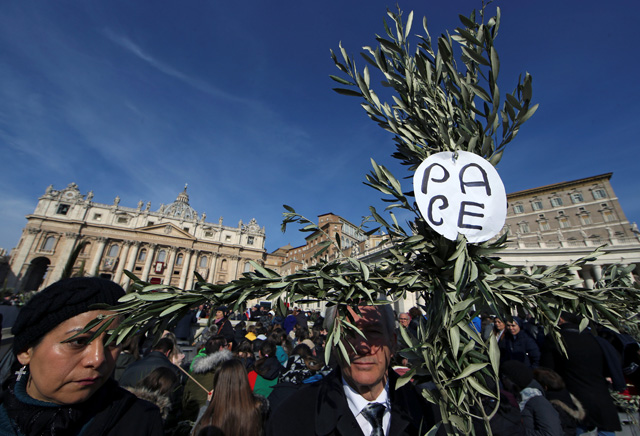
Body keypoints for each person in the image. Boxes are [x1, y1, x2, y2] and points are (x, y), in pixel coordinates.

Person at [0, 277, 163, 435]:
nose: (98, 359)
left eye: (113, 340)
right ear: (25, 350)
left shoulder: (142, 421)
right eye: (78, 342)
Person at [266, 303, 440, 436]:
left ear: (393, 342)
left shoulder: (432, 412)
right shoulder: (292, 418)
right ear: (333, 344)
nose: (363, 347)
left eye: (373, 332)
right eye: (349, 333)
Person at [540, 312, 622, 435]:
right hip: (601, 397)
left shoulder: (556, 340)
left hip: (573, 399)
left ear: (560, 320)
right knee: (606, 430)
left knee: (575, 429)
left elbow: (548, 370)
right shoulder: (595, 339)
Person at [192, 359, 268, 436]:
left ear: (218, 386)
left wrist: (207, 406)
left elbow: (195, 432)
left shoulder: (211, 419)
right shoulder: (256, 412)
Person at [500, 360, 563, 436]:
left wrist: (516, 431)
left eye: (504, 377)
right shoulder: (518, 398)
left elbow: (551, 434)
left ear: (513, 380)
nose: (503, 380)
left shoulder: (537, 400)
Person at [182, 335, 233, 421]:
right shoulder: (227, 371)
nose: (228, 347)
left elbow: (186, 395)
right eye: (226, 345)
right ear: (221, 348)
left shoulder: (196, 370)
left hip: (193, 416)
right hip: (213, 419)